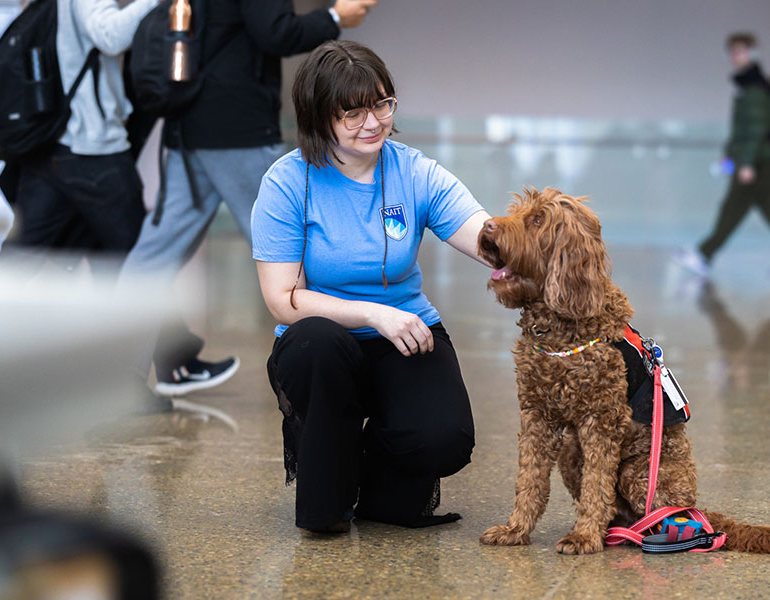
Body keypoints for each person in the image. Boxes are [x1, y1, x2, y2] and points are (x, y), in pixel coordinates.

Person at [251, 41, 491, 533]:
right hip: (322, 344)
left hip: (405, 332)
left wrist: (540, 247)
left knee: (444, 438)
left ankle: (364, 463)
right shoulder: (287, 182)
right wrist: (371, 313)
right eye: (353, 112)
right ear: (320, 117)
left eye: (382, 104)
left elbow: (485, 236)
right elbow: (284, 299)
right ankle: (329, 472)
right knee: (319, 344)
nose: (374, 122)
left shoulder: (413, 171)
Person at [119, 0, 377, 399]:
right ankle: (339, 371)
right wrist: (335, 17)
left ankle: (117, 382)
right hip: (238, 131)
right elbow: (276, 32)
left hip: (190, 129)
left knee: (153, 256)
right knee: (303, 249)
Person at [0, 0, 163, 277]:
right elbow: (111, 36)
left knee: (20, 256)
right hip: (94, 149)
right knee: (139, 260)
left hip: (55, 143)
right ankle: (161, 322)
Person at [675, 32, 770, 282]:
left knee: (737, 209)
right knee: (768, 209)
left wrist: (746, 162)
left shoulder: (755, 90)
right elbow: (744, 131)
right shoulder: (750, 86)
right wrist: (731, 156)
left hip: (756, 161)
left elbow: (755, 130)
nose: (735, 57)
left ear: (753, 53)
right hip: (757, 159)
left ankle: (705, 254)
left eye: (740, 51)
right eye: (732, 52)